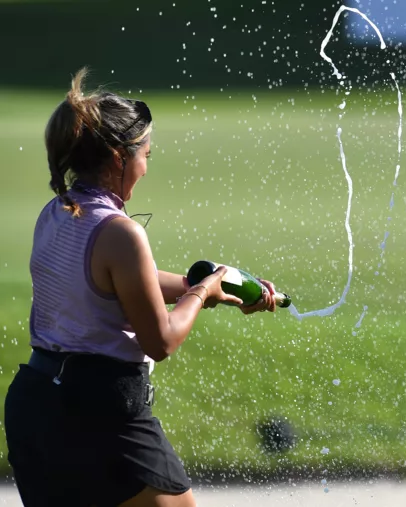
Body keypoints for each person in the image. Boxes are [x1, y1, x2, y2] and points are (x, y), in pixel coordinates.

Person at [4, 68, 278, 507]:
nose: (146, 168)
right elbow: (162, 341)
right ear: (119, 158)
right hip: (100, 415)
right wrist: (200, 294)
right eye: (146, 155)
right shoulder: (122, 233)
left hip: (35, 406)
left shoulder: (57, 212)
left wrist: (206, 284)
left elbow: (117, 285)